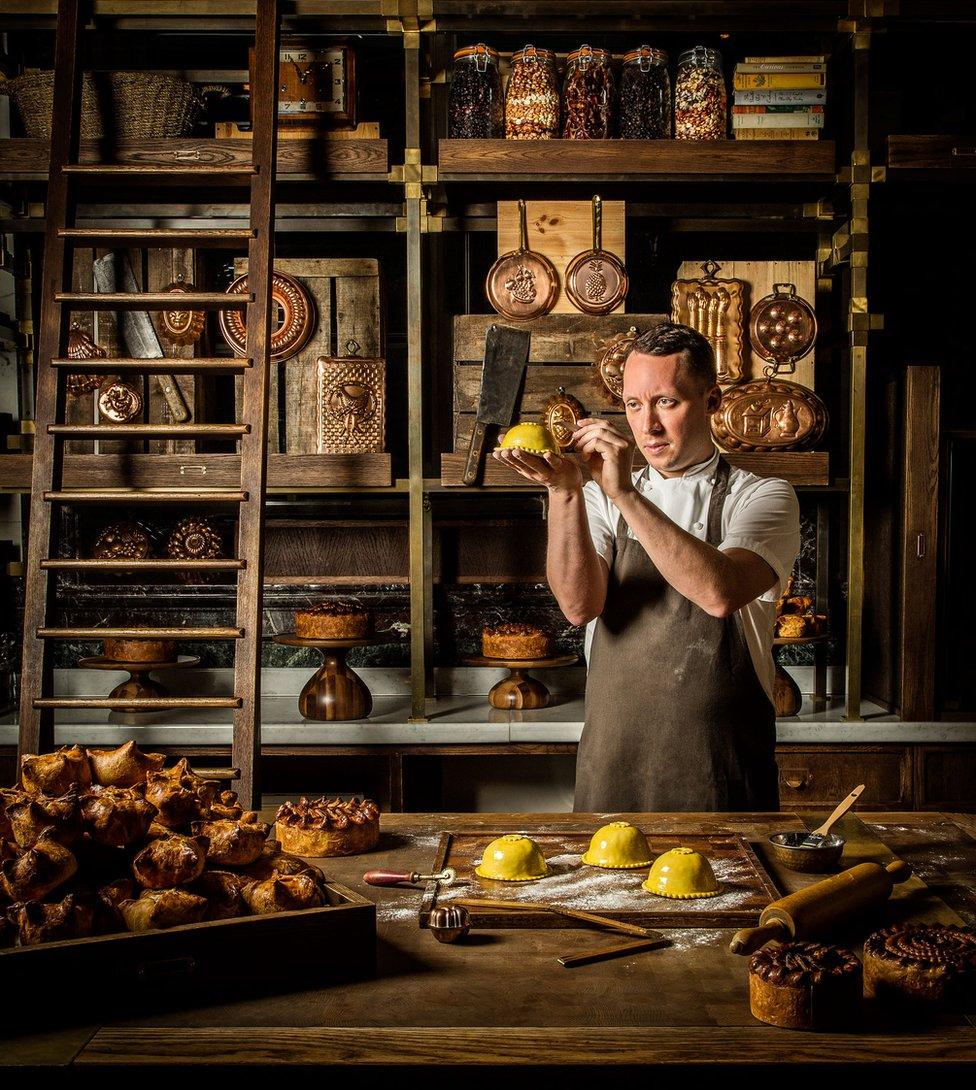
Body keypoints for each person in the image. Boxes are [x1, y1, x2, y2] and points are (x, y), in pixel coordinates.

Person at [493, 322, 800, 812]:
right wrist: (565, 491)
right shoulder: (595, 497)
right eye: (634, 405)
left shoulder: (762, 497)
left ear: (713, 400)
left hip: (719, 769)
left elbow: (719, 592)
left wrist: (625, 493)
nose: (648, 425)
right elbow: (578, 606)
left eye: (668, 402)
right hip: (614, 762)